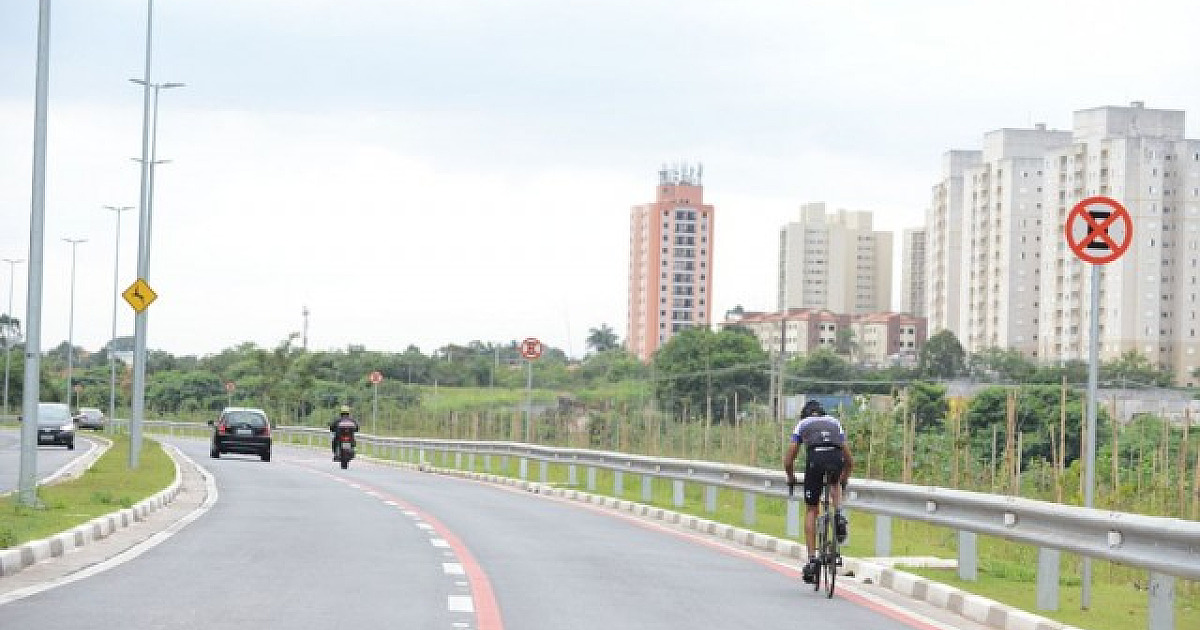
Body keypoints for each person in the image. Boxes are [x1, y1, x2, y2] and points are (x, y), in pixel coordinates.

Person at [784, 399, 854, 584]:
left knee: (811, 509)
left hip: (816, 458)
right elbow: (849, 459)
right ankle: (839, 514)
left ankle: (812, 559)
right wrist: (844, 479)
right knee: (835, 483)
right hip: (835, 457)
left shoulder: (803, 424)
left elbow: (789, 459)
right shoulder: (834, 422)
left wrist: (791, 478)